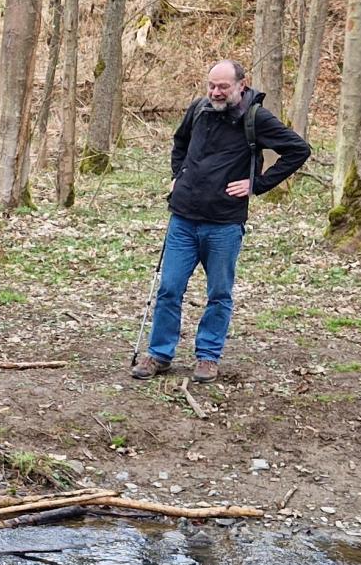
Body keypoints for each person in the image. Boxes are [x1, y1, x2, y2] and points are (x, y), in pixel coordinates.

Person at [131, 59, 310, 383]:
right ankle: (159, 354)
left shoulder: (257, 118)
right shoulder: (199, 108)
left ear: (241, 85)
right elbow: (180, 142)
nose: (215, 92)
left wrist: (258, 184)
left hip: (224, 224)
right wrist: (178, 175)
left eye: (223, 87)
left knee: (219, 293)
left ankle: (208, 357)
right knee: (169, 289)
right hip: (183, 218)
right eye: (211, 85)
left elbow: (298, 150)